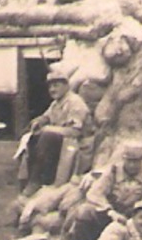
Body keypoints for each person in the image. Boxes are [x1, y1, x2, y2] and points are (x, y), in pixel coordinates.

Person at [66, 142, 142, 240]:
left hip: (135, 225)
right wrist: (110, 211)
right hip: (109, 218)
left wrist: (141, 213)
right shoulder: (112, 173)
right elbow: (95, 194)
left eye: (136, 161)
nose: (132, 165)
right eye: (129, 161)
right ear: (123, 159)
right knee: (85, 211)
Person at [21, 65, 91, 196]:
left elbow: (75, 132)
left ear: (66, 85)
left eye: (56, 85)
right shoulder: (56, 103)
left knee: (47, 135)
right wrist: (39, 121)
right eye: (50, 86)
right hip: (60, 144)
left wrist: (50, 129)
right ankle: (31, 179)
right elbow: (47, 116)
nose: (52, 89)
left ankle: (41, 180)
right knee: (31, 137)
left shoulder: (75, 103)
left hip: (77, 146)